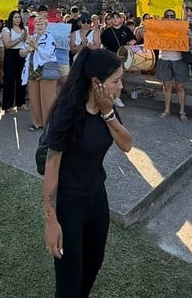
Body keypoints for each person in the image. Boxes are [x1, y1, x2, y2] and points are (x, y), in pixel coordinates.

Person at [42, 48, 132, 298]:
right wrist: (51, 221)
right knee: (69, 280)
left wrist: (107, 113)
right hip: (69, 203)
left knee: (94, 262)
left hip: (97, 198)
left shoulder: (107, 107)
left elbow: (127, 144)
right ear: (96, 82)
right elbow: (51, 168)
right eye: (116, 80)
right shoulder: (67, 112)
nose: (121, 86)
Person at [21, 16, 58, 131]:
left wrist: (36, 46)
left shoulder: (49, 37)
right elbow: (21, 52)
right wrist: (28, 50)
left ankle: (49, 124)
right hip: (33, 70)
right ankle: (36, 122)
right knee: (34, 98)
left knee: (48, 98)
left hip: (46, 70)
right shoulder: (32, 37)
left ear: (46, 26)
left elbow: (48, 54)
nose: (39, 26)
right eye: (37, 24)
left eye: (42, 24)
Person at [156, 9, 190, 122]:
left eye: (172, 16)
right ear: (164, 18)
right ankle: (167, 110)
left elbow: (190, 41)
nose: (170, 18)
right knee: (166, 86)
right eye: (167, 16)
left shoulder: (182, 28)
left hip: (179, 60)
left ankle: (182, 111)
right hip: (164, 59)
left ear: (175, 17)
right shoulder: (159, 29)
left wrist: (188, 35)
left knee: (180, 86)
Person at [1, 9, 28, 115]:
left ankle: (20, 103)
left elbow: (26, 41)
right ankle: (8, 105)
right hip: (11, 55)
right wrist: (20, 39)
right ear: (11, 19)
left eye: (19, 17)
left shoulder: (24, 29)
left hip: (22, 53)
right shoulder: (6, 29)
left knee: (21, 79)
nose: (17, 19)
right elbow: (7, 44)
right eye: (15, 17)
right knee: (9, 80)